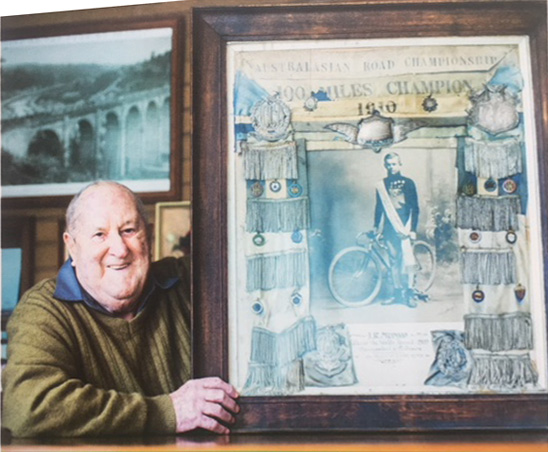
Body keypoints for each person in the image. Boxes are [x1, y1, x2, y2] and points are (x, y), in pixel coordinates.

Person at [2, 181, 240, 437]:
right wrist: (167, 411)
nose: (119, 249)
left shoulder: (189, 281)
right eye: (99, 235)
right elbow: (28, 408)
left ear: (148, 235)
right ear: (72, 245)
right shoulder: (44, 310)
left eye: (128, 230)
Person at [374, 152, 420, 307]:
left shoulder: (409, 183)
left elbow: (415, 208)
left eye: (394, 164)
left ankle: (410, 293)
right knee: (393, 260)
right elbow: (379, 207)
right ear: (384, 166)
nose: (391, 167)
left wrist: (413, 229)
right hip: (389, 227)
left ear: (400, 164)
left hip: (405, 225)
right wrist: (376, 226)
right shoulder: (382, 184)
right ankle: (397, 294)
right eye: (388, 164)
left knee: (408, 260)